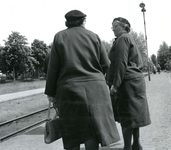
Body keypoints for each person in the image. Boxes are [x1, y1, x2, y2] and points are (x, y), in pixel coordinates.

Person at [44, 10, 120, 150]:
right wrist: (94, 77)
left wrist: (51, 92)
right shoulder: (93, 36)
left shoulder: (59, 37)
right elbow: (106, 64)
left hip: (69, 91)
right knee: (93, 129)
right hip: (96, 91)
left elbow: (53, 68)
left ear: (67, 22)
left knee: (72, 131)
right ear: (83, 21)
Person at [107, 17, 151, 150]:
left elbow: (121, 62)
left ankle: (127, 147)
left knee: (126, 116)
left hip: (127, 83)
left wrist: (115, 84)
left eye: (115, 26)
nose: (112, 28)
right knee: (134, 116)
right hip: (135, 81)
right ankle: (136, 145)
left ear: (123, 26)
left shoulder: (122, 39)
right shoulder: (128, 38)